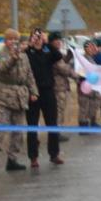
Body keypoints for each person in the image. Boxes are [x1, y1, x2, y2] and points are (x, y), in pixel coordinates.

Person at [0, 28, 38, 173]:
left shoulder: (24, 56)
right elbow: (3, 68)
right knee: (0, 128)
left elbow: (29, 75)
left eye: (16, 40)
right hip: (4, 95)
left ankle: (12, 158)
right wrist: (13, 57)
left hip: (20, 96)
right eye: (10, 39)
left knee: (18, 130)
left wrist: (33, 91)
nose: (13, 42)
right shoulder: (1, 54)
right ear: (5, 41)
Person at [24, 28, 62, 167]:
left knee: (52, 123)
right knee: (32, 126)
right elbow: (21, 56)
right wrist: (30, 44)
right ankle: (33, 157)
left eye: (40, 36)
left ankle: (54, 154)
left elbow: (58, 56)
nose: (38, 39)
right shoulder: (28, 52)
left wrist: (47, 43)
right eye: (35, 36)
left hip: (48, 91)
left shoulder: (47, 50)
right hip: (32, 93)